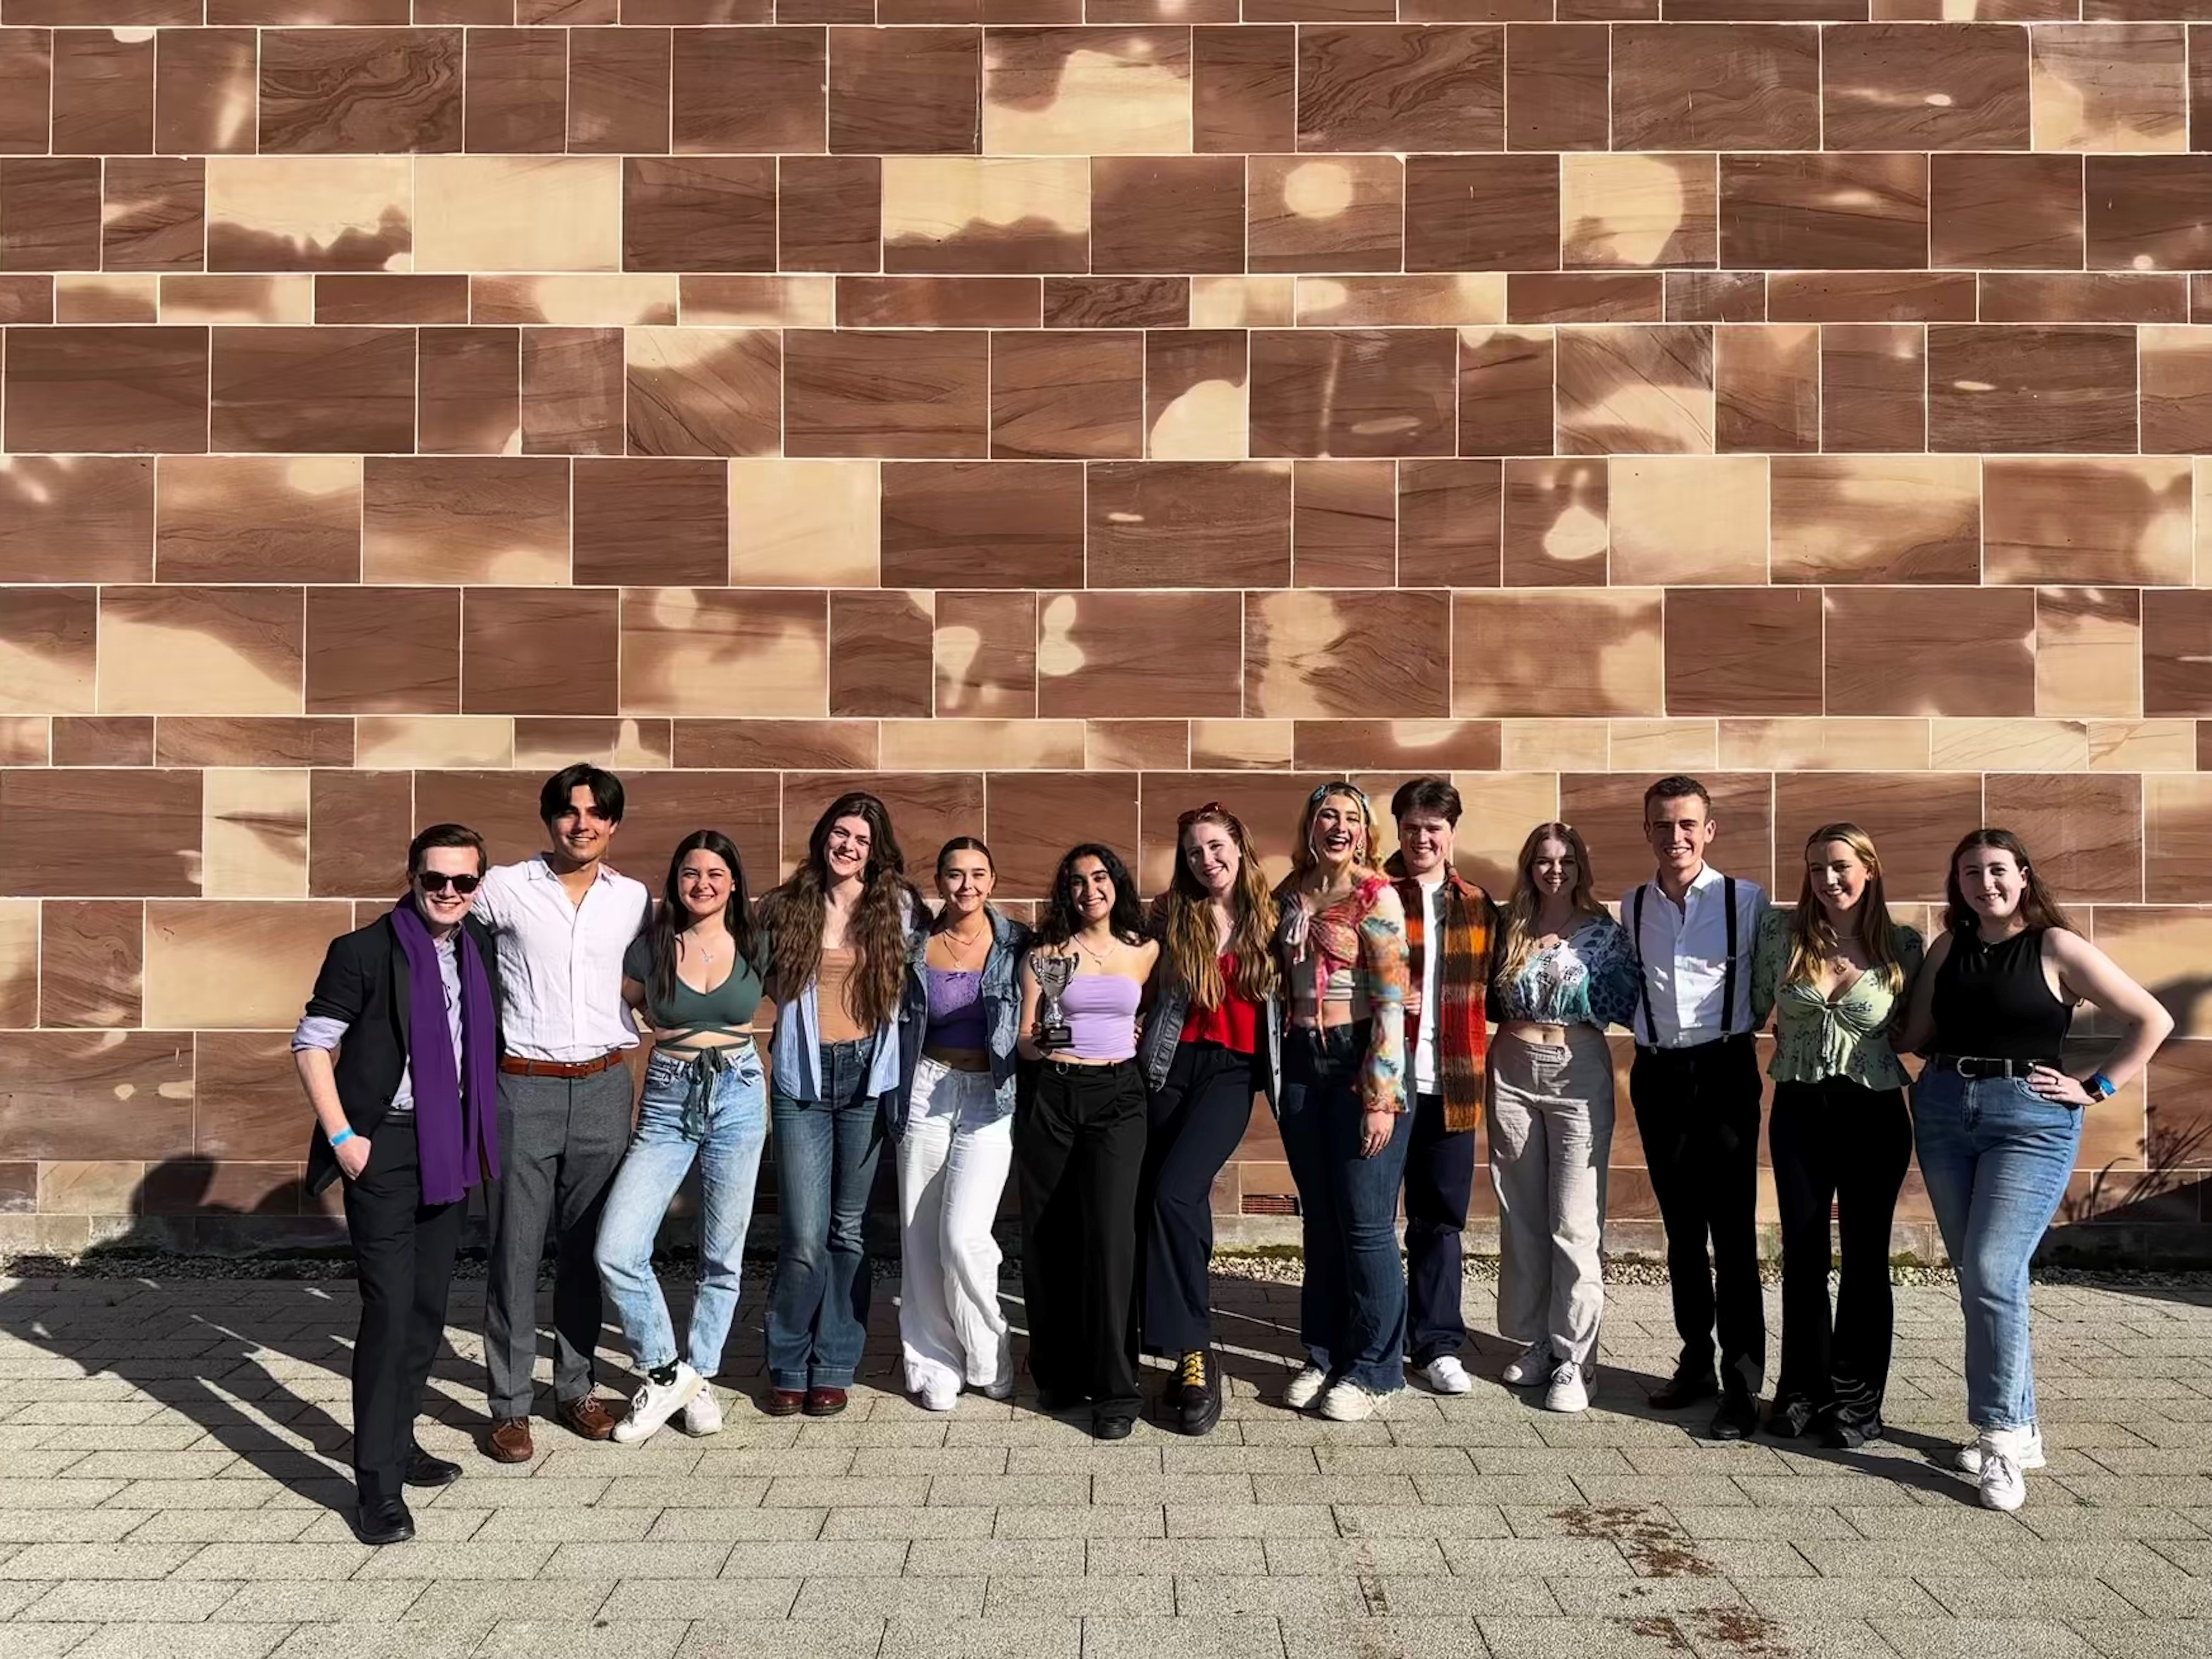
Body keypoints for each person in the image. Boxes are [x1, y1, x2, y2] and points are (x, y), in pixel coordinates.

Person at [1895, 828, 2173, 1510]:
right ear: (1955, 884)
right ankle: (2026, 1430)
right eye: (1969, 874)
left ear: (2023, 876)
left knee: (1991, 1270)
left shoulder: (2055, 946)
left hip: (2030, 1121)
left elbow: (2151, 1019)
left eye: (1996, 871)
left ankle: (1999, 1438)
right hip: (1942, 1111)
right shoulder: (1947, 948)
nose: (1984, 883)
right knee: (1983, 1276)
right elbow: (1912, 1035)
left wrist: (2096, 1087)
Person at [294, 823, 503, 1545]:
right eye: (434, 880)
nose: (448, 892)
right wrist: (346, 1138)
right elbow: (313, 1043)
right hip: (381, 1148)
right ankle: (375, 1484)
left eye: (463, 881)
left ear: (479, 885)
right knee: (387, 1311)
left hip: (449, 1148)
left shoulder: (478, 949)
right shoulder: (363, 951)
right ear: (412, 878)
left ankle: (400, 1439)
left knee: (426, 1307)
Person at [476, 765, 653, 1463]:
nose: (583, 824)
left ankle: (575, 1387)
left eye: (597, 813)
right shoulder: (502, 890)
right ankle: (509, 1405)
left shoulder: (633, 898)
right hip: (522, 1087)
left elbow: (650, 977)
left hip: (607, 1085)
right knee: (514, 1252)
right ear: (549, 819)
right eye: (569, 812)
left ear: (614, 823)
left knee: (586, 1250)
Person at [592, 831, 769, 1446]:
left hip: (741, 1094)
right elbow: (628, 1006)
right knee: (617, 1247)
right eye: (691, 873)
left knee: (722, 1254)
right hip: (668, 1097)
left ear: (734, 882)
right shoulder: (649, 950)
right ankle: (667, 1370)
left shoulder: (757, 942)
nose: (703, 884)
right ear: (676, 881)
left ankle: (701, 1376)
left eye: (716, 873)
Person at [1753, 824, 1923, 1449]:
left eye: (1841, 866)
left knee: (1865, 1260)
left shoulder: (1904, 945)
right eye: (1817, 867)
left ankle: (1856, 1404)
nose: (1829, 879)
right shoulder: (1781, 936)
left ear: (1870, 868)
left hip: (1874, 1113)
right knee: (1800, 1254)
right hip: (1799, 1108)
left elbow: (1916, 1030)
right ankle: (1801, 1392)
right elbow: (1751, 1008)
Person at [756, 793, 918, 1419]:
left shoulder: (899, 911)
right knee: (802, 1234)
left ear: (875, 852)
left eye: (862, 840)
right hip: (803, 1078)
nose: (848, 847)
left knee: (848, 1230)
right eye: (840, 834)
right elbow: (760, 976)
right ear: (824, 836)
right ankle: (788, 1361)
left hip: (865, 1080)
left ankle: (835, 1363)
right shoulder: (788, 906)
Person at [1625, 775, 1772, 1440]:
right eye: (1662, 824)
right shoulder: (1629, 907)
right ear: (1647, 831)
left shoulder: (1748, 901)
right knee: (1682, 1231)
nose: (1675, 836)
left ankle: (1743, 1384)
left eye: (1687, 824)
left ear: (1709, 831)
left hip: (1724, 1070)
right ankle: (1696, 1362)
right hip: (1657, 1075)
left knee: (1734, 1234)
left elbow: (1774, 983)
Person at [1135, 804, 1280, 1436]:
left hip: (1232, 1071)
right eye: (1194, 852)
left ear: (1240, 847)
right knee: (1160, 1203)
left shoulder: (1275, 916)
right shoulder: (1171, 914)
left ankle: (1192, 1348)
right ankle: (1168, 1340)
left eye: (1216, 847)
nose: (1206, 860)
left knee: (1176, 1193)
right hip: (1168, 1066)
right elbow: (1131, 976)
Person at [1487, 821, 1639, 1415]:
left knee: (1574, 1220)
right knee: (1521, 1212)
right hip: (1512, 1068)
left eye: (1567, 860)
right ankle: (1533, 1340)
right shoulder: (1510, 928)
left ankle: (1577, 1359)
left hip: (1578, 1069)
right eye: (1545, 860)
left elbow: (1631, 1002)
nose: (1556, 870)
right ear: (1529, 866)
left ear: (1581, 867)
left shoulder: (1604, 933)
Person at [1274, 781, 1411, 1424]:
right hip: (1302, 1062)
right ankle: (1324, 1352)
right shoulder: (1288, 893)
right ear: (1309, 823)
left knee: (1365, 1223)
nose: (1338, 825)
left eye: (1351, 818)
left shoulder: (1375, 895)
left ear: (1365, 831)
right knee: (1320, 1220)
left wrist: (1381, 1095)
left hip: (1357, 1057)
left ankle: (1377, 1368)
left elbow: (1390, 999)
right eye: (1327, 814)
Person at [1017, 843, 1159, 1441]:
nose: (1089, 890)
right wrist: (1043, 1043)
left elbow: (1158, 1014)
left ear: (1117, 884)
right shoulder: (1044, 955)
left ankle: (1116, 1389)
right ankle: (1058, 1373)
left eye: (1100, 878)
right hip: (1055, 1092)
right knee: (1049, 1233)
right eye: (1077, 882)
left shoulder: (1145, 951)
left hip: (1119, 1097)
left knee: (1110, 1239)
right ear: (1066, 892)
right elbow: (1025, 1039)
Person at [894, 837, 1029, 1412]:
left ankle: (988, 1348)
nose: (966, 885)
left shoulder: (1019, 942)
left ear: (993, 881)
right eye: (954, 874)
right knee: (921, 1232)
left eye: (977, 874)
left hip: (990, 1097)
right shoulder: (916, 944)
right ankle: (933, 1363)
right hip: (926, 1088)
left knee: (964, 1235)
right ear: (940, 881)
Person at [1383, 778, 1497, 1398]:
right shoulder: (1371, 895)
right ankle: (1375, 1337)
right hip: (1381, 1083)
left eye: (1434, 828)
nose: (1422, 838)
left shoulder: (1476, 903)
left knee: (1439, 1219)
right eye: (1412, 827)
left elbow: (1494, 990)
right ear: (1397, 829)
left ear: (1452, 833)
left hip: (1452, 1080)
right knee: (1371, 1218)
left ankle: (1437, 1344)